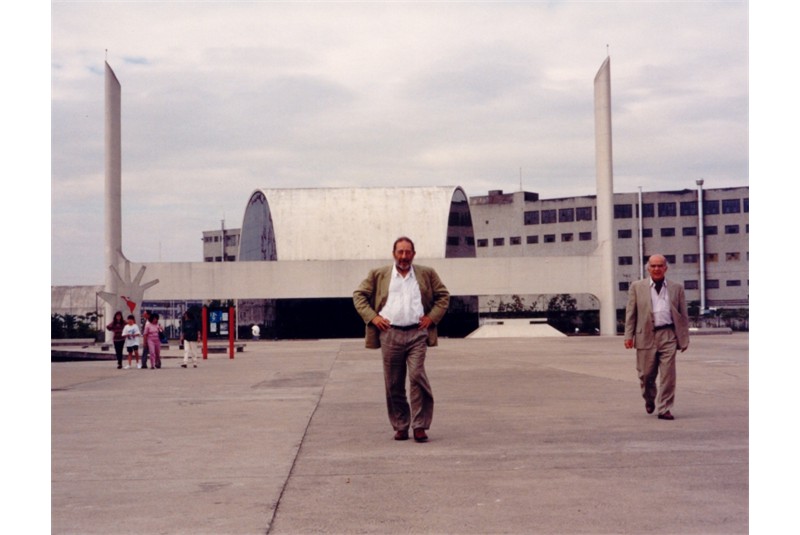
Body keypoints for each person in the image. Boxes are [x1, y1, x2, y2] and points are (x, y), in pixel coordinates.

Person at [353, 236, 450, 442]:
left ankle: (420, 425)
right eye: (400, 252)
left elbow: (443, 296)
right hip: (390, 334)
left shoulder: (426, 274)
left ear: (414, 254)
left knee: (416, 376)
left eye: (408, 252)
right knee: (394, 383)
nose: (404, 256)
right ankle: (400, 425)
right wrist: (374, 317)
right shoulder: (379, 275)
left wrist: (431, 318)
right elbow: (359, 295)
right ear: (394, 253)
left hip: (417, 333)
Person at [624, 254, 690, 420]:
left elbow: (683, 315)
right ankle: (649, 398)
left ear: (665, 268)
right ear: (648, 268)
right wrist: (628, 335)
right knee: (646, 375)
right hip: (645, 335)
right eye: (653, 266)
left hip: (668, 335)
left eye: (660, 265)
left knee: (668, 375)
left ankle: (664, 408)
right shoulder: (637, 287)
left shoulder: (677, 288)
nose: (657, 269)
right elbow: (631, 313)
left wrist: (684, 338)